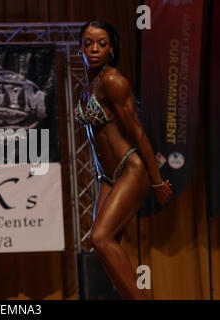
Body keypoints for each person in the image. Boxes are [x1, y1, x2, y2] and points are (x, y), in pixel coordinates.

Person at [75, 20, 173, 299]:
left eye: (102, 44)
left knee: (100, 237)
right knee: (105, 246)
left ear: (111, 49)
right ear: (80, 47)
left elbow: (137, 132)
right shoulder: (87, 86)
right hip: (106, 175)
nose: (94, 49)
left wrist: (156, 183)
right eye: (88, 43)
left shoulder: (112, 81)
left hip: (132, 168)